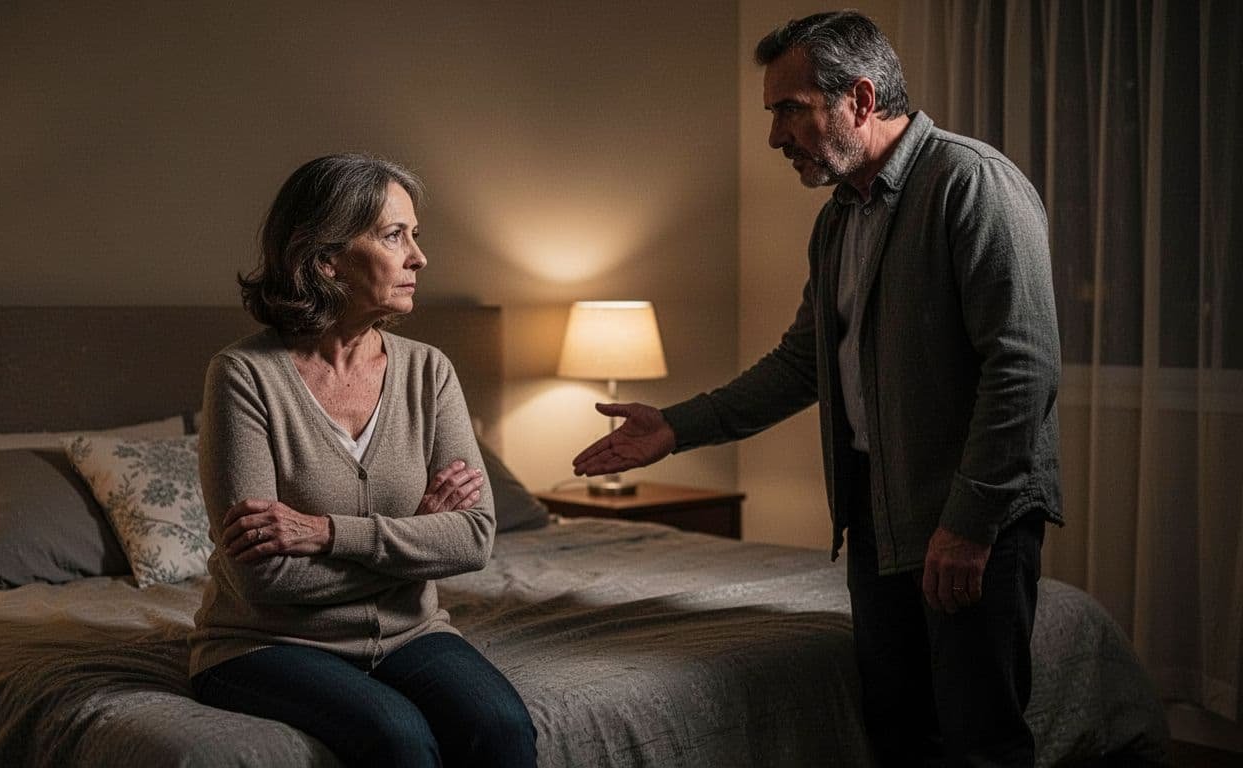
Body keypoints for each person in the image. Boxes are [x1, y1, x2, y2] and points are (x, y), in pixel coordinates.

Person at [572, 11, 1061, 767]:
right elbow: (804, 364)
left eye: (789, 111)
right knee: (899, 733)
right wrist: (675, 427)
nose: (775, 137)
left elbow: (1023, 370)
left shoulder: (971, 184)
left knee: (980, 742)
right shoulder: (839, 221)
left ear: (859, 100)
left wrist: (971, 524)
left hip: (968, 515)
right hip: (877, 516)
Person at [189, 153, 537, 767]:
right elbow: (264, 578)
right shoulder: (244, 376)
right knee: (397, 738)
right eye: (393, 235)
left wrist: (323, 533)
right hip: (265, 644)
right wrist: (419, 538)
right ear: (326, 259)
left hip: (412, 633)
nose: (418, 258)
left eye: (415, 236)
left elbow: (475, 540)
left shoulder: (430, 372)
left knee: (503, 727)